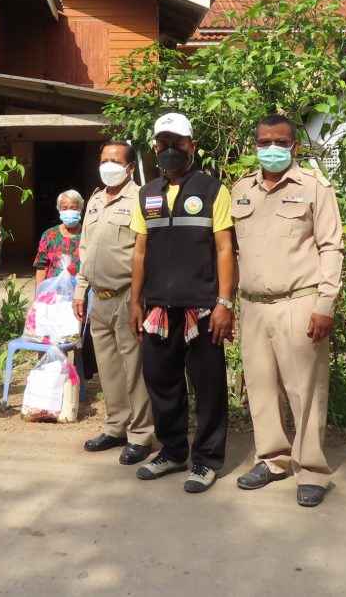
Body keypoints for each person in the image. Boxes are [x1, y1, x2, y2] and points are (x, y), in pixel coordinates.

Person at [231, 114, 344, 507]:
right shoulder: (241, 189)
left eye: (280, 142)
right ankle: (271, 458)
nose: (272, 149)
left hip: (299, 301)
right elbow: (235, 249)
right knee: (260, 387)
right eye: (264, 142)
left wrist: (325, 303)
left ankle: (310, 470)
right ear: (255, 146)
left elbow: (331, 246)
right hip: (252, 305)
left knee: (304, 390)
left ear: (294, 146)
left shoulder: (314, 187)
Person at [129, 112, 235, 494]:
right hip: (158, 308)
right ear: (155, 146)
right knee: (161, 382)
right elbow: (140, 251)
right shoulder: (147, 193)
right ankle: (173, 451)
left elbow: (225, 249)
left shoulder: (212, 190)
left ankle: (207, 459)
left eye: (177, 143)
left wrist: (224, 302)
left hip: (201, 308)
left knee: (208, 388)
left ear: (191, 145)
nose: (169, 149)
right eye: (163, 143)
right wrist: (135, 301)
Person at [74, 140, 153, 465]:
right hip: (99, 298)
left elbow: (145, 252)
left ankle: (141, 434)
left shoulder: (140, 199)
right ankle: (115, 426)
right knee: (109, 369)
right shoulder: (94, 200)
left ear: (130, 167)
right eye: (104, 159)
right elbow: (85, 249)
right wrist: (80, 290)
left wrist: (138, 299)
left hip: (127, 297)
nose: (108, 165)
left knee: (135, 370)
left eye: (116, 161)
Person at [33, 190, 84, 286]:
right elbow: (41, 268)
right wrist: (39, 293)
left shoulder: (88, 234)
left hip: (81, 291)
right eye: (64, 208)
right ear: (59, 210)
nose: (69, 212)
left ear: (80, 210)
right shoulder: (49, 235)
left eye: (73, 208)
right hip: (53, 291)